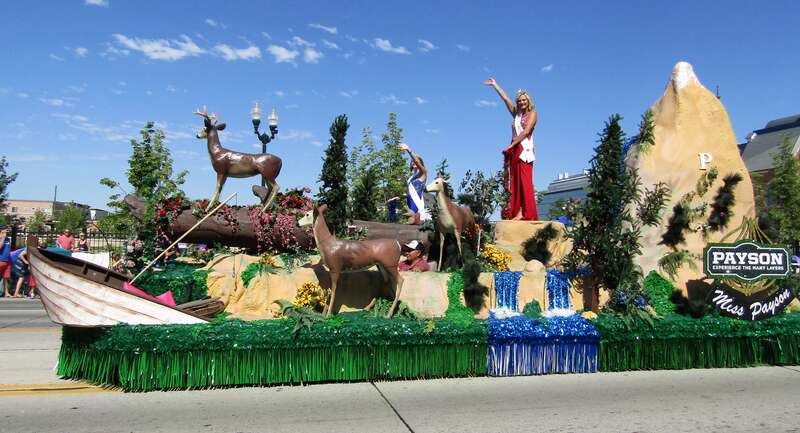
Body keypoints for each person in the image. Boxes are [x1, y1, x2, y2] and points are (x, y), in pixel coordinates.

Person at [484, 78, 540, 220]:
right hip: (514, 148)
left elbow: (526, 132)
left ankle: (525, 212)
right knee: (514, 181)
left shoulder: (532, 113)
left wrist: (511, 145)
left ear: (528, 101)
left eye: (524, 100)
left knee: (525, 181)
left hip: (524, 149)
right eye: (520, 100)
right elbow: (505, 98)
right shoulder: (517, 114)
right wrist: (495, 85)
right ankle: (516, 212)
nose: (522, 102)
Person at [399, 143, 431, 225]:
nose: (413, 161)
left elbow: (416, 160)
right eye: (412, 161)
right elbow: (411, 191)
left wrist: (408, 150)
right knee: (409, 225)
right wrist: (403, 196)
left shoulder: (423, 173)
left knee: (415, 224)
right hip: (410, 203)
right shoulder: (411, 177)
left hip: (417, 205)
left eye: (416, 160)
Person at [0, 226, 11, 297]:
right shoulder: (1, 238)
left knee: (6, 277)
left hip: (7, 261)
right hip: (0, 260)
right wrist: (2, 238)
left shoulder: (8, 239)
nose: (6, 232)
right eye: (5, 230)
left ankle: (6, 292)